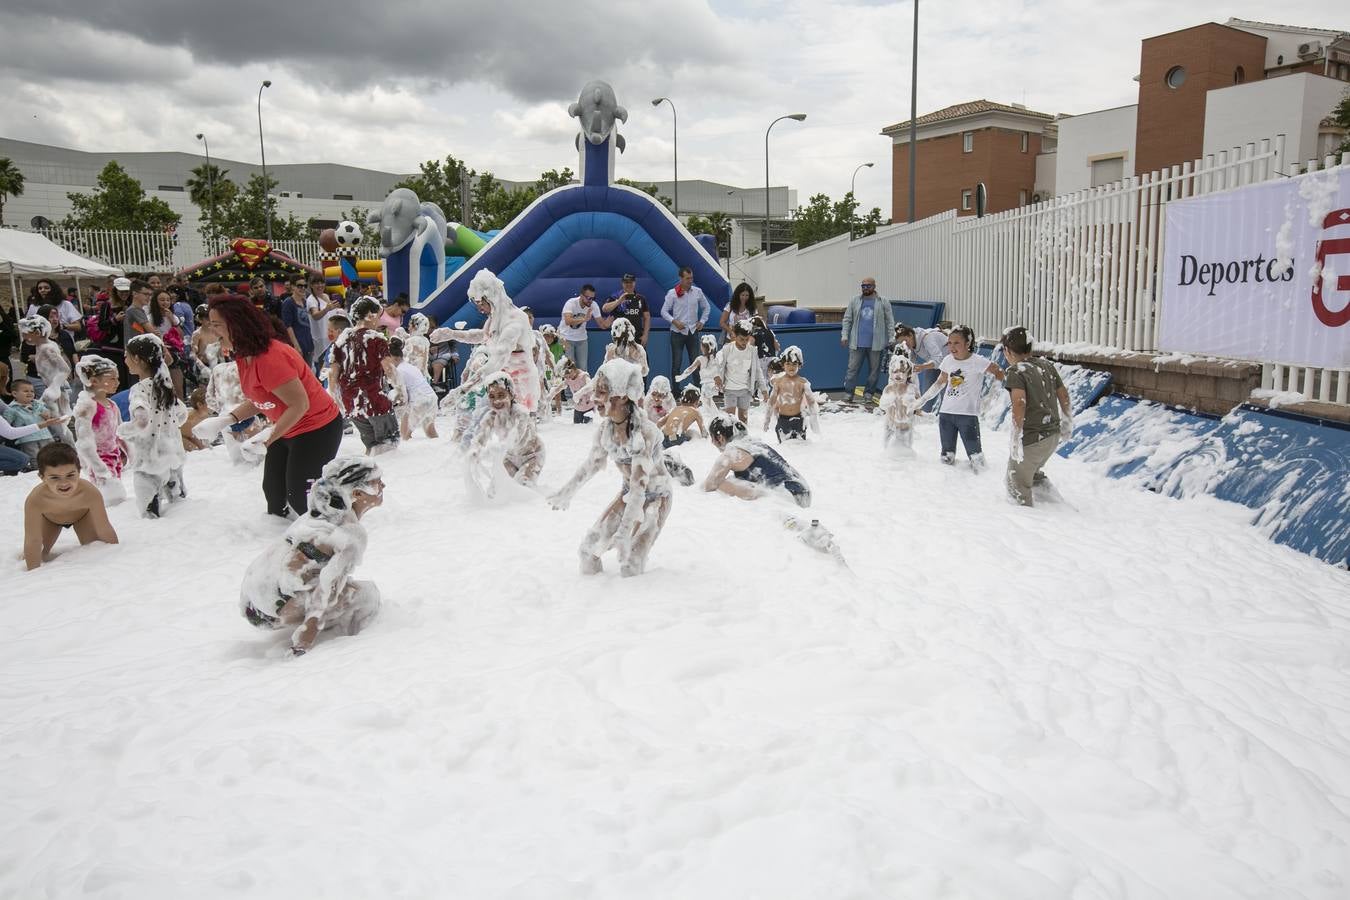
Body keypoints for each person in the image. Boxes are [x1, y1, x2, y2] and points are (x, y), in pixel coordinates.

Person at [199, 294, 343, 518]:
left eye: (216, 324)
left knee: (301, 498)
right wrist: (228, 419)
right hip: (287, 427)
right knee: (274, 494)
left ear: (237, 324)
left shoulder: (270, 357)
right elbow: (262, 397)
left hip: (317, 429)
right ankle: (285, 538)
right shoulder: (244, 354)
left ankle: (335, 529)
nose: (211, 330)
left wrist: (267, 437)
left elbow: (299, 404)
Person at [239, 457, 384, 657]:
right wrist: (305, 637)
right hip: (273, 611)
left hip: (252, 604)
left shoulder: (316, 516)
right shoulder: (349, 533)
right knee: (367, 595)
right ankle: (350, 645)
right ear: (358, 493)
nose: (383, 485)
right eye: (377, 481)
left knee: (340, 583)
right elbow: (329, 585)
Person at [549, 359, 672, 577]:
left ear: (623, 395)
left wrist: (625, 532)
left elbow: (639, 487)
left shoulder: (644, 433)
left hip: (656, 498)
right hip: (628, 495)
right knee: (588, 551)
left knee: (630, 565)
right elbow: (591, 465)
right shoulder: (605, 430)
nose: (594, 399)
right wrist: (565, 493)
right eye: (595, 391)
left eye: (602, 392)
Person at [429, 269, 544, 414]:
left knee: (518, 430)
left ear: (492, 298)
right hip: (503, 381)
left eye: (481, 303)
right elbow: (483, 335)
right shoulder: (495, 317)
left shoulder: (514, 321)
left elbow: (496, 362)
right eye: (477, 304)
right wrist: (451, 334)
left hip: (522, 384)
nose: (480, 309)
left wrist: (461, 391)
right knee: (496, 426)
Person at [1001, 326, 1073, 506]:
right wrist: (1067, 421)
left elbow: (1019, 403)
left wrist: (1016, 437)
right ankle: (1055, 503)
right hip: (1052, 436)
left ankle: (1026, 519)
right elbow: (1064, 395)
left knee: (1015, 481)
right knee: (1032, 473)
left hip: (1033, 438)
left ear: (1007, 351)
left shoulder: (1016, 371)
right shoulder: (1047, 366)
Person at [915, 325, 1005, 469]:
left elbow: (999, 372)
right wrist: (922, 400)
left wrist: (996, 394)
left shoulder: (978, 361)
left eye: (956, 343)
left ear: (968, 343)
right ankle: (949, 486)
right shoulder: (948, 361)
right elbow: (939, 383)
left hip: (967, 416)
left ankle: (980, 485)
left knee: (976, 458)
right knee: (947, 457)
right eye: (949, 343)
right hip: (946, 415)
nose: (952, 347)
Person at [119, 334, 188, 518]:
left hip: (149, 456)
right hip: (172, 451)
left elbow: (141, 419)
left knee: (150, 513)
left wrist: (124, 430)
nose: (124, 360)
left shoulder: (139, 389)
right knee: (179, 504)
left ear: (137, 359)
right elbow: (182, 413)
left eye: (126, 356)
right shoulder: (165, 385)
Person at [22, 443, 119, 570]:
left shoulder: (89, 492)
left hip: (81, 516)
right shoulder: (35, 500)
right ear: (42, 477)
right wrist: (32, 573)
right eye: (54, 477)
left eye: (70, 475)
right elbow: (33, 539)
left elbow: (104, 528)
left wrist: (117, 554)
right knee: (38, 554)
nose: (64, 483)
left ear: (79, 472)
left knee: (96, 548)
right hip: (51, 520)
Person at [330, 297, 399, 455]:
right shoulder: (376, 339)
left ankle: (369, 478)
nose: (379, 320)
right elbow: (389, 369)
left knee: (372, 448)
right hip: (375, 401)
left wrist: (339, 403)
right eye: (378, 315)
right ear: (370, 315)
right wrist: (400, 391)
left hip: (353, 405)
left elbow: (333, 377)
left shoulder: (340, 341)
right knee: (389, 449)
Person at [703, 413, 811, 507]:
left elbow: (709, 485)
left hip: (788, 497)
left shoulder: (731, 453)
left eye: (712, 438)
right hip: (803, 491)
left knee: (721, 484)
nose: (712, 442)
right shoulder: (755, 444)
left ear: (720, 438)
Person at [465, 371, 545, 497]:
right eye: (492, 396)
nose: (496, 400)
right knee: (495, 490)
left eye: (501, 395)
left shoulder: (520, 414)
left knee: (523, 487)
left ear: (511, 394)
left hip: (533, 456)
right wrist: (475, 451)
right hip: (510, 458)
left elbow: (519, 438)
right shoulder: (490, 417)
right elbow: (480, 437)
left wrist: (497, 448)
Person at [71, 354, 128, 503]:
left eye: (117, 378)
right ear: (94, 381)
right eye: (112, 379)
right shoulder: (88, 405)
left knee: (117, 496)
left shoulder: (112, 404)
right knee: (104, 497)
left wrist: (129, 452)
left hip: (114, 456)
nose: (117, 382)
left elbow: (120, 432)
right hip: (98, 458)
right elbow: (84, 441)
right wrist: (98, 467)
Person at [839, 276, 895, 405]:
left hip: (876, 343)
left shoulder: (883, 302)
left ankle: (869, 394)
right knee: (852, 369)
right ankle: (848, 393)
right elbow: (847, 319)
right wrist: (844, 335)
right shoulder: (855, 301)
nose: (865, 288)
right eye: (863, 286)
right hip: (856, 342)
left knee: (874, 371)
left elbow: (890, 321)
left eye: (868, 286)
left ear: (874, 287)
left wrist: (892, 337)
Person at [17, 315, 73, 438]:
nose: (24, 337)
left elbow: (65, 369)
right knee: (56, 422)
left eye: (26, 334)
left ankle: (70, 448)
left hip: (56, 389)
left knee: (58, 422)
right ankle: (68, 446)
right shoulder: (41, 346)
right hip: (51, 387)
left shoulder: (47, 348)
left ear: (37, 332)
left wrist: (54, 387)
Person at [661, 266, 711, 385]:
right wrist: (674, 321)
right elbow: (663, 311)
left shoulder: (697, 291)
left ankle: (698, 389)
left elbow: (707, 307)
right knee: (676, 363)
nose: (690, 281)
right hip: (677, 333)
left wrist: (702, 321)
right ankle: (676, 391)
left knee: (696, 362)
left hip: (693, 332)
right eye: (687, 278)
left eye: (691, 278)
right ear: (681, 278)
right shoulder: (672, 293)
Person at [763, 345, 820, 442]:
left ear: (800, 365)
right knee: (785, 449)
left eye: (794, 364)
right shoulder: (779, 382)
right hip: (783, 420)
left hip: (799, 420)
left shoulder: (802, 382)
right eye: (788, 364)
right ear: (783, 365)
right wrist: (767, 421)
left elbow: (811, 402)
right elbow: (771, 402)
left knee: (800, 448)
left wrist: (814, 421)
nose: (791, 367)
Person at [388, 337, 439, 441]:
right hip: (432, 398)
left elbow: (404, 396)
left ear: (395, 358)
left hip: (419, 401)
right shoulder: (410, 367)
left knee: (404, 436)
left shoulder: (399, 371)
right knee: (431, 433)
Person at [714, 320, 764, 424]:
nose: (744, 342)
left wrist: (764, 390)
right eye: (741, 339)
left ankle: (743, 439)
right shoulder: (727, 349)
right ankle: (731, 439)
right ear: (734, 336)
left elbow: (758, 371)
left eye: (747, 339)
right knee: (730, 420)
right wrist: (717, 376)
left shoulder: (752, 351)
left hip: (745, 390)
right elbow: (715, 365)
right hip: (729, 389)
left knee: (743, 420)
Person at [893, 324, 950, 408]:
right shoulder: (911, 344)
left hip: (948, 364)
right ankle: (926, 414)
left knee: (945, 395)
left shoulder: (927, 338)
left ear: (911, 335)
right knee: (926, 394)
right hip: (934, 364)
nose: (905, 344)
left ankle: (944, 416)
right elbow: (911, 363)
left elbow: (939, 360)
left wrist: (922, 367)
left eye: (905, 340)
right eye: (902, 343)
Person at [558, 284, 610, 371]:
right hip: (565, 338)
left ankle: (583, 385)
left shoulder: (593, 305)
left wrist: (610, 320)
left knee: (583, 369)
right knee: (569, 368)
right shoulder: (571, 303)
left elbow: (602, 324)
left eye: (593, 298)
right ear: (581, 296)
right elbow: (568, 321)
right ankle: (566, 385)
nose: (591, 301)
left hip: (581, 339)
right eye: (588, 298)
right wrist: (584, 319)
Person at [878, 352, 922, 454]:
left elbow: (919, 407)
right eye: (895, 372)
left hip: (906, 428)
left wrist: (921, 413)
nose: (898, 375)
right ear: (890, 373)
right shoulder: (888, 389)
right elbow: (882, 406)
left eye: (902, 371)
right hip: (890, 427)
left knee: (906, 453)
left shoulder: (912, 389)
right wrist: (888, 402)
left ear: (909, 374)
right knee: (887, 452)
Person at [2, 379, 57, 460]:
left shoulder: (38, 404)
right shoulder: (12, 409)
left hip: (45, 435)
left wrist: (47, 415)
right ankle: (36, 471)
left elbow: (48, 414)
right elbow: (6, 423)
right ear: (15, 393)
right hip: (28, 439)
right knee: (35, 458)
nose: (30, 393)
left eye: (32, 391)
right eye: (26, 391)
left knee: (52, 455)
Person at [305, 275, 345, 369]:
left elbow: (331, 310)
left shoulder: (325, 296)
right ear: (311, 285)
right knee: (323, 368)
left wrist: (337, 309)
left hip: (331, 336)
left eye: (322, 283)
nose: (320, 285)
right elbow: (315, 315)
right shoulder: (311, 300)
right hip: (321, 340)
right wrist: (327, 309)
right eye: (316, 283)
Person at [601, 274, 650, 345]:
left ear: (634, 283)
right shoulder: (616, 296)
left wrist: (645, 335)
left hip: (637, 338)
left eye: (631, 282)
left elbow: (647, 317)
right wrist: (619, 301)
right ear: (622, 283)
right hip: (620, 338)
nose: (628, 284)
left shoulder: (641, 298)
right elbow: (605, 309)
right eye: (626, 282)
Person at [281, 278, 315, 365]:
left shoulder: (305, 301)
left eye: (305, 286)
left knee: (309, 371)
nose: (303, 288)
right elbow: (288, 326)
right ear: (292, 287)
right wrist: (296, 345)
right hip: (297, 343)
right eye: (299, 286)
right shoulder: (288, 303)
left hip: (308, 343)